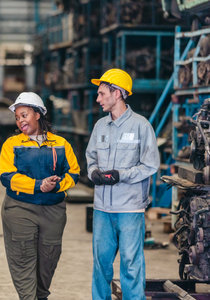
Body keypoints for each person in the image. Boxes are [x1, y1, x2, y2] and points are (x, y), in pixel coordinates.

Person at [86, 68, 160, 300]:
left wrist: (121, 174)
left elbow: (151, 165)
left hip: (129, 209)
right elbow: (90, 158)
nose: (98, 99)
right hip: (102, 210)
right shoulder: (100, 126)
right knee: (101, 265)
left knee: (131, 264)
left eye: (101, 93)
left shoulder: (141, 126)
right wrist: (93, 172)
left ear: (117, 93)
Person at [0, 92, 80, 300]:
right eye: (17, 117)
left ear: (38, 114)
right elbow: (7, 177)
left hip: (53, 210)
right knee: (23, 257)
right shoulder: (12, 144)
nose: (20, 121)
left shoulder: (61, 143)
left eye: (24, 115)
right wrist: (38, 185)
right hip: (20, 208)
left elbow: (73, 172)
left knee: (49, 258)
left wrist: (57, 185)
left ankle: (41, 296)